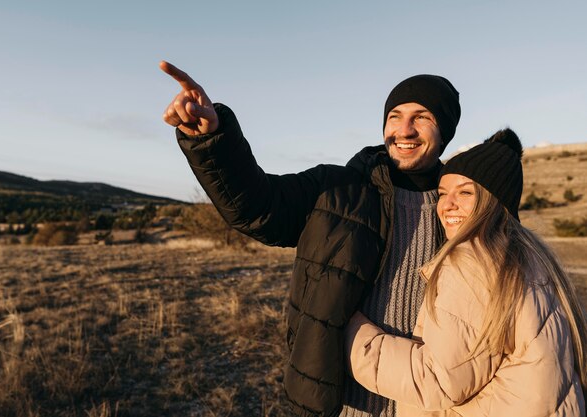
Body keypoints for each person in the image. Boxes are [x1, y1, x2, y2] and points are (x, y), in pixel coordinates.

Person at [159, 61, 461, 417]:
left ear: (445, 130)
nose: (404, 130)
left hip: (433, 405)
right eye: (395, 116)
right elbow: (259, 206)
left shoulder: (465, 209)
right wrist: (212, 141)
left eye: (421, 117)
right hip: (346, 404)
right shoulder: (336, 189)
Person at [345, 129, 587, 416]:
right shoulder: (532, 258)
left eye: (465, 192)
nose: (446, 205)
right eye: (443, 193)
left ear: (493, 200)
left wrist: (350, 330)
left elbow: (436, 380)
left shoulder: (472, 259)